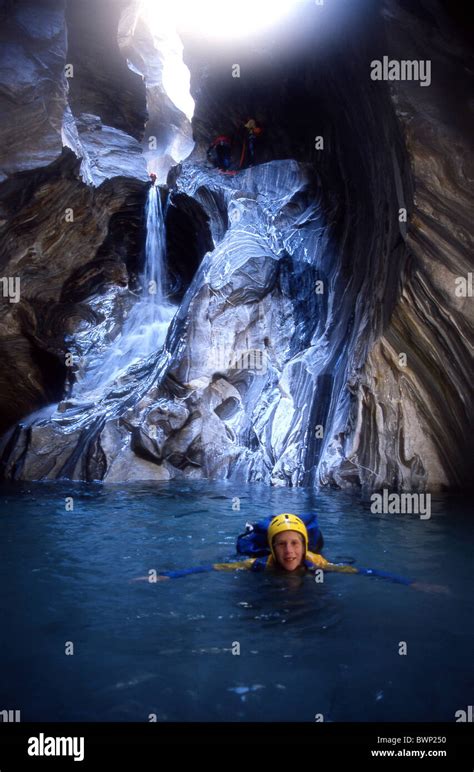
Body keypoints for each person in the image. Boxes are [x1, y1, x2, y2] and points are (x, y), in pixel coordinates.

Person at [131, 513, 449, 592]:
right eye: (281, 544)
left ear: (305, 546)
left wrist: (412, 584)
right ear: (271, 547)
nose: (289, 550)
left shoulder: (317, 564)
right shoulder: (257, 564)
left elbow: (366, 573)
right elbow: (212, 569)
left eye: (295, 543)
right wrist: (166, 576)